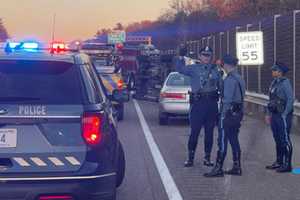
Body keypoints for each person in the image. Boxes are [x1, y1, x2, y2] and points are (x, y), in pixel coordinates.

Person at [175, 46, 223, 167]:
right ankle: (190, 158)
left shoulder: (216, 70)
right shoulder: (193, 68)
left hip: (211, 105)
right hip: (198, 104)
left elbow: (221, 87)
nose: (206, 57)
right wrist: (181, 56)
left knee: (209, 133)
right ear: (200, 56)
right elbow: (179, 69)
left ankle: (207, 158)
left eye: (208, 55)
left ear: (211, 57)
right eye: (204, 55)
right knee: (194, 132)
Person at [204, 54, 245, 177]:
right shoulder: (239, 78)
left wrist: (222, 116)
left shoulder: (230, 80)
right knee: (234, 139)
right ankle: (237, 166)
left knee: (222, 140)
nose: (222, 66)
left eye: (223, 64)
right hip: (237, 113)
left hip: (227, 114)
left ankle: (218, 168)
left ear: (226, 65)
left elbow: (226, 99)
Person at [265, 62, 294, 173]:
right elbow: (271, 100)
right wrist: (268, 114)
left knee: (284, 139)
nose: (272, 71)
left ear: (280, 72)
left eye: (274, 70)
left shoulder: (285, 83)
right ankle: (279, 161)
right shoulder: (274, 83)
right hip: (275, 115)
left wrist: (285, 114)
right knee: (277, 138)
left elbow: (290, 100)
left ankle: (287, 165)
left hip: (283, 116)